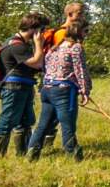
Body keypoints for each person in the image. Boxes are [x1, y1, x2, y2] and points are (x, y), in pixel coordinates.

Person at [0, 12, 50, 157]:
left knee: (25, 121)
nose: (42, 34)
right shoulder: (16, 46)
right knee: (8, 121)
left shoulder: (21, 44)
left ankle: (22, 153)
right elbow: (37, 63)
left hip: (24, 87)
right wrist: (38, 44)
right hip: (14, 88)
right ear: (33, 29)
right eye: (42, 30)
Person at [29, 18, 90, 161]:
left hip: (48, 88)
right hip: (64, 91)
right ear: (79, 32)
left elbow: (46, 67)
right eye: (86, 31)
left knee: (43, 124)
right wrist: (85, 90)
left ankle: (32, 152)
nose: (87, 34)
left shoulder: (54, 47)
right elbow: (81, 70)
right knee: (67, 123)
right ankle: (73, 154)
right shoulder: (75, 47)